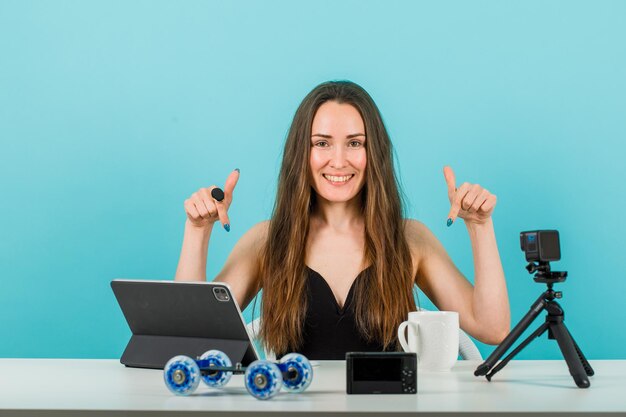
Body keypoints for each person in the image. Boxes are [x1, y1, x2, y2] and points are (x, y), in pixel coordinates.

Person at [174, 81, 510, 360]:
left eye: (354, 143)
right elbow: (191, 337)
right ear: (301, 154)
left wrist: (480, 226)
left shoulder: (408, 238)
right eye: (321, 143)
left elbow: (491, 327)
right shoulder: (268, 240)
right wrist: (198, 231)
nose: (338, 160)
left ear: (373, 153)